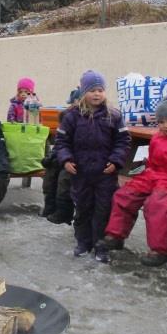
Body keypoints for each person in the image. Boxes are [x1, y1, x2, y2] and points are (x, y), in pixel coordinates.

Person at [94, 97, 167, 266]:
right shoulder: (157, 138)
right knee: (124, 194)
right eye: (161, 122)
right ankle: (116, 235)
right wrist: (146, 173)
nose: (166, 126)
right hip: (154, 176)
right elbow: (153, 162)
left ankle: (160, 251)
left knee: (156, 205)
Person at [55, 71, 132, 260]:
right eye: (92, 90)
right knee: (83, 207)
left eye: (100, 90)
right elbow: (61, 142)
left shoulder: (113, 116)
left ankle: (101, 245)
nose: (97, 94)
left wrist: (116, 161)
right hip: (80, 172)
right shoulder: (71, 116)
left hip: (105, 173)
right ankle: (83, 241)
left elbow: (123, 142)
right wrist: (66, 159)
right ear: (83, 92)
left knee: (103, 209)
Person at [41, 86, 81, 223]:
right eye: (73, 103)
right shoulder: (66, 117)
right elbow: (60, 141)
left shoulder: (86, 121)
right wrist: (52, 156)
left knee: (64, 179)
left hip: (78, 158)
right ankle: (50, 206)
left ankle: (64, 211)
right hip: (65, 155)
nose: (73, 106)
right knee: (51, 171)